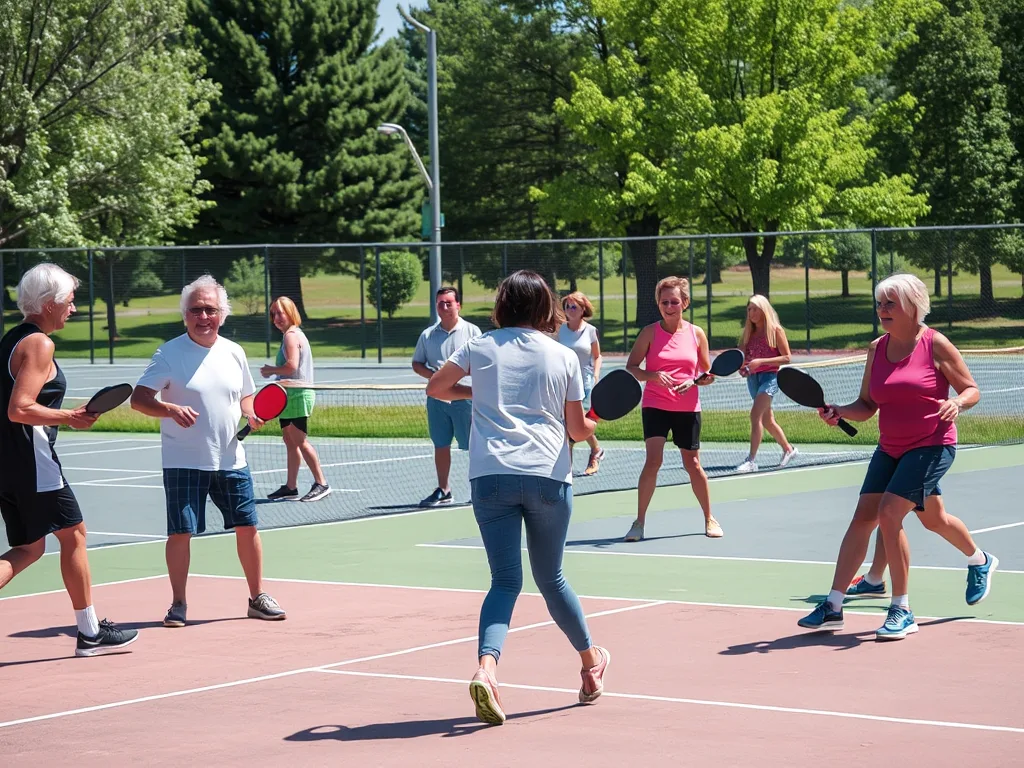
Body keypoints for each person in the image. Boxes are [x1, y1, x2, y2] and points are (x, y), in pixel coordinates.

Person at [426, 270, 610, 726]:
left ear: (503, 304)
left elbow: (437, 388)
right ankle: (591, 666)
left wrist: (480, 392)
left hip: (490, 478)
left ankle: (487, 670)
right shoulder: (562, 355)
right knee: (552, 580)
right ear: (546, 306)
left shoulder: (480, 345)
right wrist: (594, 423)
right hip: (548, 476)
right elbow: (576, 429)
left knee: (505, 582)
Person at [798, 274, 997, 640]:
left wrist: (955, 401)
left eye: (890, 303)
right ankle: (833, 605)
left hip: (932, 445)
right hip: (891, 447)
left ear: (913, 306)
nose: (882, 310)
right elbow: (867, 405)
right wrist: (839, 411)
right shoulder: (877, 349)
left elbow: (971, 389)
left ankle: (902, 610)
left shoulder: (935, 344)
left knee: (889, 513)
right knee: (921, 519)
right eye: (879, 303)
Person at [131, 275, 286, 628]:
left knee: (247, 527)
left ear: (223, 314)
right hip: (183, 460)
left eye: (210, 310)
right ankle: (179, 603)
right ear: (185, 315)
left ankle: (257, 596)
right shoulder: (168, 354)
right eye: (196, 310)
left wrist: (251, 411)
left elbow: (246, 395)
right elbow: (139, 400)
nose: (204, 316)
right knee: (180, 533)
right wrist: (169, 409)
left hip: (231, 458)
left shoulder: (234, 352)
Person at [0, 263, 138, 657]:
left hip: (10, 462)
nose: (73, 309)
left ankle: (90, 631)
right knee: (74, 533)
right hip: (32, 461)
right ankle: (90, 633)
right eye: (69, 302)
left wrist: (64, 416)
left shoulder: (11, 339)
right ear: (48, 304)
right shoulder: (40, 344)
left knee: (29, 548)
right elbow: (19, 408)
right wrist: (69, 417)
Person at [623, 277, 722, 542]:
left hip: (688, 407)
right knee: (653, 461)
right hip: (655, 404)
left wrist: (695, 381)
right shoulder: (649, 333)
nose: (669, 306)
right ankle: (639, 522)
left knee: (693, 464)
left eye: (674, 301)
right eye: (664, 302)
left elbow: (707, 372)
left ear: (685, 303)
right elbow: (631, 367)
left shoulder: (696, 333)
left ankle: (709, 518)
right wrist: (653, 375)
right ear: (658, 304)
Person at [412, 287, 482, 507]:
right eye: (440, 303)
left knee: (474, 445)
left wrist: (458, 380)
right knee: (440, 445)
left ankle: (479, 489)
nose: (444, 307)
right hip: (437, 400)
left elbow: (481, 364)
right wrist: (437, 379)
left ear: (458, 305)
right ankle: (444, 490)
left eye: (449, 303)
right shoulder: (428, 335)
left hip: (465, 399)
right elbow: (417, 363)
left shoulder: (472, 332)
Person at [259, 296, 331, 503]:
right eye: (273, 314)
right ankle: (291, 487)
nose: (277, 318)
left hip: (298, 394)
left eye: (280, 313)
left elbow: (291, 366)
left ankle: (321, 483)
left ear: (291, 312)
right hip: (287, 396)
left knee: (300, 440)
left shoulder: (291, 336)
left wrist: (271, 370)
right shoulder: (290, 336)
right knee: (290, 441)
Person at [735, 295, 798, 473]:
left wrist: (760, 362)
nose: (751, 313)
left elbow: (787, 357)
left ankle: (751, 460)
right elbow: (741, 356)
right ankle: (788, 449)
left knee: (755, 415)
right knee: (767, 420)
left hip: (770, 378)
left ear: (763, 310)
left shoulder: (775, 330)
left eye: (755, 308)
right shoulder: (748, 333)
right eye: (749, 309)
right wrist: (742, 366)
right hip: (752, 379)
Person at [558, 291, 605, 476]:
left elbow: (597, 356)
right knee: (569, 424)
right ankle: (596, 449)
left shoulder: (590, 331)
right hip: (563, 382)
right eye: (567, 306)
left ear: (583, 309)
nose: (570, 309)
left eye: (574, 306)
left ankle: (566, 468)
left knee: (577, 423)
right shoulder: (560, 330)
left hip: (584, 383)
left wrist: (595, 375)